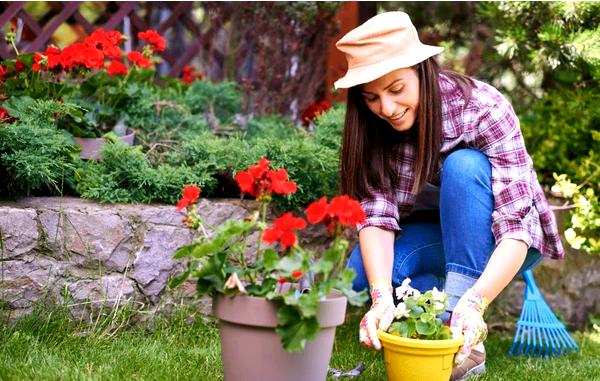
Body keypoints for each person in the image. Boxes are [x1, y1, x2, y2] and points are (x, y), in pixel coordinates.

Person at [333, 11, 564, 380]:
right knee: (364, 275)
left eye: (396, 90)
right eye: (372, 98)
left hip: (504, 239)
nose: (387, 109)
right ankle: (437, 320)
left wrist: (474, 303)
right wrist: (380, 300)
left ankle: (460, 324)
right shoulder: (371, 128)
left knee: (464, 166)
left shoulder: (483, 108)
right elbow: (376, 215)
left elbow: (517, 225)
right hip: (434, 232)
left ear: (423, 70)